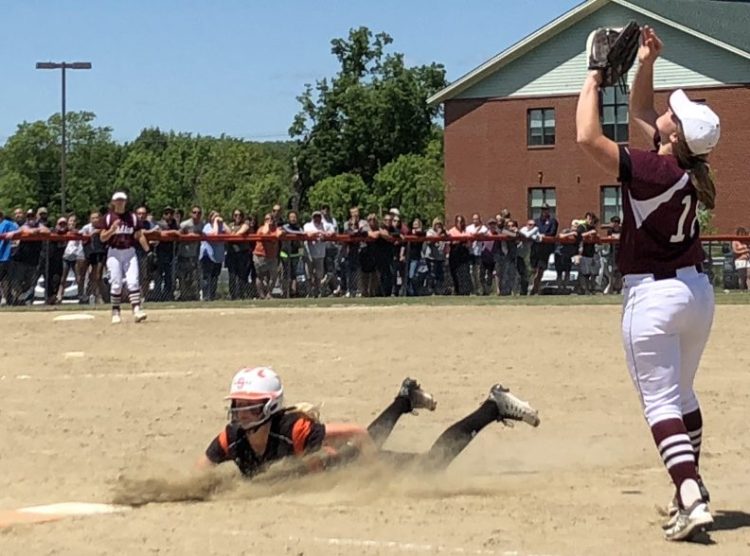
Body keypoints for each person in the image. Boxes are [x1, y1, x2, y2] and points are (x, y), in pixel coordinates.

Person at [576, 25, 720, 541]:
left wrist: (592, 78)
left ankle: (689, 495)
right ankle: (691, 482)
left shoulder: (654, 170)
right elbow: (643, 111)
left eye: (672, 115)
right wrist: (646, 62)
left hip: (654, 297)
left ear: (675, 134)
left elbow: (586, 138)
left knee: (661, 404)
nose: (664, 112)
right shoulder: (680, 167)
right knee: (680, 395)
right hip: (696, 295)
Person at [197, 367, 539, 480]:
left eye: (248, 408)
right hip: (337, 463)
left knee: (431, 466)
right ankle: (405, 399)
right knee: (368, 442)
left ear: (270, 407)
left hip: (352, 464)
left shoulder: (295, 430)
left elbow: (358, 434)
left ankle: (493, 406)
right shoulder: (231, 440)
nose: (240, 415)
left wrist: (374, 473)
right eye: (237, 407)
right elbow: (196, 473)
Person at [98, 192, 151, 324]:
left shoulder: (132, 217)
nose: (120, 202)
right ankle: (116, 311)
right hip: (114, 253)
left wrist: (148, 251)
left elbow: (139, 235)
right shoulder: (108, 218)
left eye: (122, 200)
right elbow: (102, 237)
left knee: (133, 281)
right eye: (117, 200)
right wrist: (112, 230)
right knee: (116, 283)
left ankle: (137, 309)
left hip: (129, 252)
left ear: (126, 202)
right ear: (113, 202)